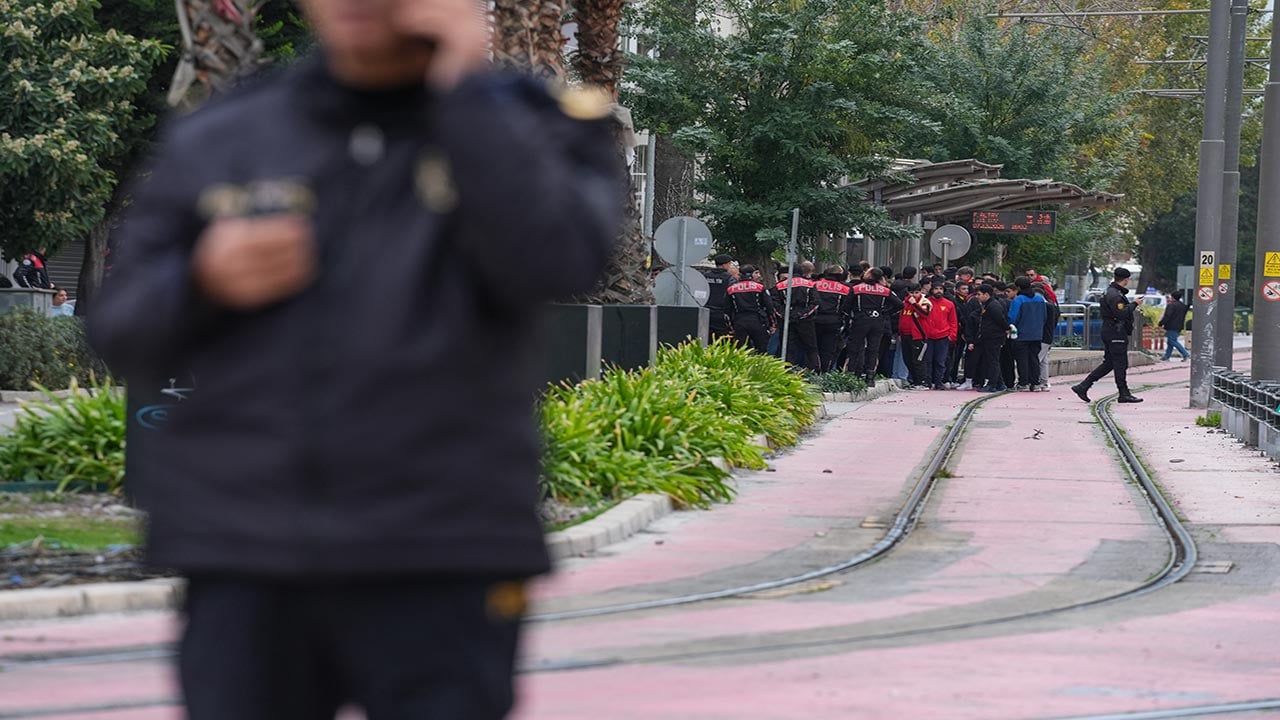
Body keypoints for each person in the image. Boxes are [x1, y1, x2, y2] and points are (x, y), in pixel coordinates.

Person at [87, 1, 626, 718]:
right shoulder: (232, 133)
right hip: (250, 551)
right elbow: (118, 326)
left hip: (442, 549)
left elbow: (557, 259)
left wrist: (466, 95)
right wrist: (201, 280)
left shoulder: (534, 126)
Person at [1073, 267, 1144, 403]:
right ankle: (1123, 393)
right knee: (1120, 363)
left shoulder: (1110, 292)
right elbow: (1121, 314)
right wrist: (1134, 303)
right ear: (1126, 280)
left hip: (1111, 331)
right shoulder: (1115, 295)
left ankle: (1083, 386)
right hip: (1115, 332)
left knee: (1110, 363)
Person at [846, 267, 902, 383]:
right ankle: (870, 376)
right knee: (873, 349)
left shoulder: (857, 288)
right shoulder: (885, 290)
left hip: (860, 320)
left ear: (869, 275)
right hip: (877, 321)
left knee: (855, 347)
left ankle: (851, 374)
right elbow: (899, 305)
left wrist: (852, 315)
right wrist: (885, 312)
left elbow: (846, 306)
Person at [776, 261, 820, 370]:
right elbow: (816, 303)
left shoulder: (780, 285)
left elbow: (775, 305)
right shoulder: (810, 284)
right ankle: (814, 372)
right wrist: (804, 314)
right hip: (805, 319)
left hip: (788, 319)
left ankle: (788, 373)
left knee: (788, 348)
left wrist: (786, 315)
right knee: (811, 347)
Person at [1008, 276, 1047, 391]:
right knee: (1034, 358)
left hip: (1022, 334)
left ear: (1018, 287)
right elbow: (1044, 316)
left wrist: (1010, 326)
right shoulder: (1039, 299)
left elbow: (1013, 317)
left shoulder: (1019, 300)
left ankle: (1023, 383)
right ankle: (1035, 383)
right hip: (1037, 333)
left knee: (1022, 359)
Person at [726, 264, 774, 353]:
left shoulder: (731, 289)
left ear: (740, 274)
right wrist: (772, 324)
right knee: (762, 349)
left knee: (741, 351)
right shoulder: (759, 287)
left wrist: (730, 327)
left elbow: (727, 310)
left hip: (739, 321)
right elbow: (769, 306)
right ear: (752, 274)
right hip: (757, 320)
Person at [921, 278, 957, 389]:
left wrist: (952, 335)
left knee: (941, 361)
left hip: (943, 336)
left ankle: (938, 381)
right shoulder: (925, 303)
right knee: (928, 360)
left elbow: (953, 321)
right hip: (928, 336)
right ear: (932, 290)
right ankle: (928, 381)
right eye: (936, 289)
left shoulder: (949, 304)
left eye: (941, 289)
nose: (938, 291)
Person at [813, 265, 851, 372]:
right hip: (833, 322)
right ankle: (824, 372)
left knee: (813, 348)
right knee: (828, 349)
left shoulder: (815, 285)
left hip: (815, 320)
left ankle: (812, 372)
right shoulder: (845, 289)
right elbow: (847, 308)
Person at [974, 284, 1008, 392]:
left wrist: (1006, 329)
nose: (977, 297)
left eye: (979, 294)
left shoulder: (993, 306)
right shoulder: (988, 304)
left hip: (994, 337)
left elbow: (1000, 320)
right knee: (992, 360)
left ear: (986, 294)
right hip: (989, 336)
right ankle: (1000, 383)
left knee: (993, 361)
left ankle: (992, 384)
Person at [899, 282, 930, 387]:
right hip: (905, 335)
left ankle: (923, 382)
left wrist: (914, 304)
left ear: (920, 291)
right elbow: (902, 318)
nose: (913, 295)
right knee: (907, 359)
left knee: (918, 360)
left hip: (918, 335)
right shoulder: (904, 302)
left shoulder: (925, 302)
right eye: (911, 293)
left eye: (916, 292)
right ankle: (915, 381)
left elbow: (925, 314)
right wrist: (900, 333)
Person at [701, 254, 737, 339]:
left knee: (706, 338)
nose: (730, 266)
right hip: (721, 312)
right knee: (723, 339)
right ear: (725, 265)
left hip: (705, 311)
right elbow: (732, 294)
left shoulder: (705, 276)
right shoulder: (729, 278)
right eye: (729, 264)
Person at [1159, 289, 1190, 361]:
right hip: (1179, 325)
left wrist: (1161, 323)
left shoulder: (1171, 306)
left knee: (1172, 341)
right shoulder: (1183, 306)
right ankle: (1166, 356)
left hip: (1171, 325)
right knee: (1171, 341)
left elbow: (1167, 316)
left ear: (1173, 297)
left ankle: (1185, 354)